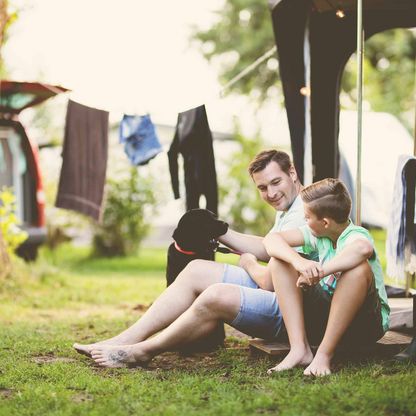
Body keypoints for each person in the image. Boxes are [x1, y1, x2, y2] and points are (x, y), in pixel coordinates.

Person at [73, 149, 313, 368]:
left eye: (275, 182)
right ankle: (124, 339)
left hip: (298, 315)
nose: (271, 193)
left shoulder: (304, 212)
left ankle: (142, 351)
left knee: (216, 294)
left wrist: (248, 262)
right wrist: (221, 232)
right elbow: (267, 247)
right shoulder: (292, 206)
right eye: (262, 188)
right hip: (285, 297)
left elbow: (270, 281)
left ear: (292, 172)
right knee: (196, 268)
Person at [264, 178, 390, 376]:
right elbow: (272, 240)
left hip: (365, 325)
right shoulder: (318, 235)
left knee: (358, 269)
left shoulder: (355, 234)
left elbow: (363, 248)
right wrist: (300, 263)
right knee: (279, 261)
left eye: (307, 217)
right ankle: (299, 349)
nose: (305, 221)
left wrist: (321, 271)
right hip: (328, 317)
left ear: (324, 222)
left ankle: (323, 355)